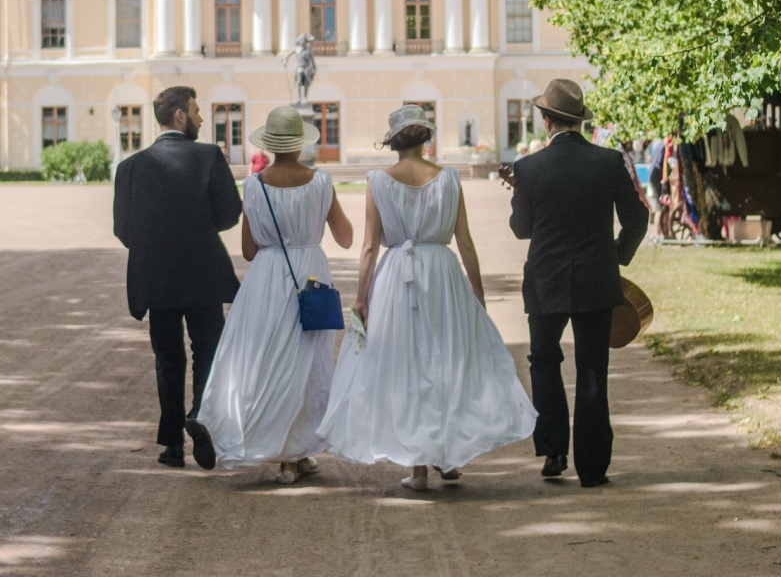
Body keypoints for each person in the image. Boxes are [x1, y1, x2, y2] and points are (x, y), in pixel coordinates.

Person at [318, 105, 536, 491]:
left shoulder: (378, 181)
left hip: (395, 277)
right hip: (442, 275)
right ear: (425, 139)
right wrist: (477, 295)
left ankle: (419, 468)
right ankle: (446, 456)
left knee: (407, 365)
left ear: (394, 142)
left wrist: (362, 298)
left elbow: (368, 247)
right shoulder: (449, 178)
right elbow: (465, 242)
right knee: (445, 360)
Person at [196, 106, 353, 484]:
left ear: (269, 144)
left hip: (266, 279)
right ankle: (293, 454)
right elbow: (345, 237)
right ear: (300, 144)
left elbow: (249, 249)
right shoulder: (321, 182)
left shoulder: (254, 185)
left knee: (269, 361)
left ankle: (285, 451)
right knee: (307, 364)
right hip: (311, 274)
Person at [508, 78, 649, 488]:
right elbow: (637, 218)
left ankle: (553, 450)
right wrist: (616, 255)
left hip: (545, 280)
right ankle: (593, 466)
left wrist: (522, 196)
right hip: (595, 277)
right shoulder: (607, 162)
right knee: (592, 370)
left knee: (544, 362)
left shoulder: (528, 168)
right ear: (580, 122)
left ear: (547, 120)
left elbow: (521, 229)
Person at [113, 85, 243, 470]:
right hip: (203, 273)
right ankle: (199, 415)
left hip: (155, 278)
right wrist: (199, 229)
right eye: (197, 111)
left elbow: (123, 230)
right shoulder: (208, 157)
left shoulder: (130, 168)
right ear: (181, 116)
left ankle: (171, 445)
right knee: (208, 351)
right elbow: (229, 214)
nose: (202, 119)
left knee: (167, 359)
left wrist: (156, 244)